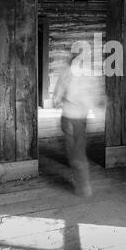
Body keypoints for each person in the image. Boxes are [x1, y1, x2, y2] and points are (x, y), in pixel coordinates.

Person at [53, 51, 95, 198]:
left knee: (76, 150)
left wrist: (58, 101)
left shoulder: (67, 74)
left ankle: (83, 186)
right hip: (77, 118)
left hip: (71, 117)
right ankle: (81, 182)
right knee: (77, 147)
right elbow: (91, 96)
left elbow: (57, 96)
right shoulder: (83, 75)